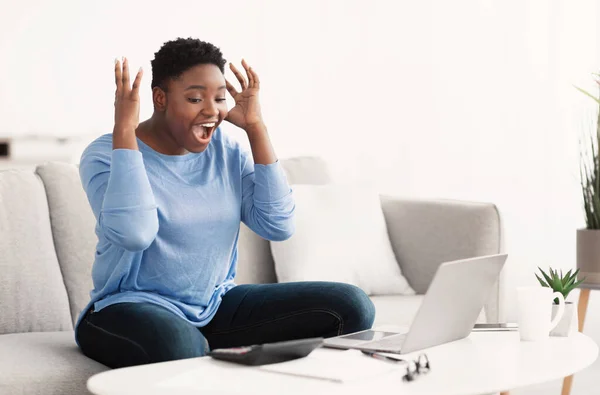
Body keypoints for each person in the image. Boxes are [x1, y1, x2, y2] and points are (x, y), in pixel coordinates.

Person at [75, 37, 375, 368]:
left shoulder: (227, 151)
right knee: (179, 343)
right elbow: (136, 233)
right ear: (159, 98)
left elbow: (278, 224)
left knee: (350, 305)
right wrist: (125, 131)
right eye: (194, 98)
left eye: (219, 98)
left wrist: (256, 128)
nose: (211, 110)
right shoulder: (106, 154)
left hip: (215, 307)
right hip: (126, 308)